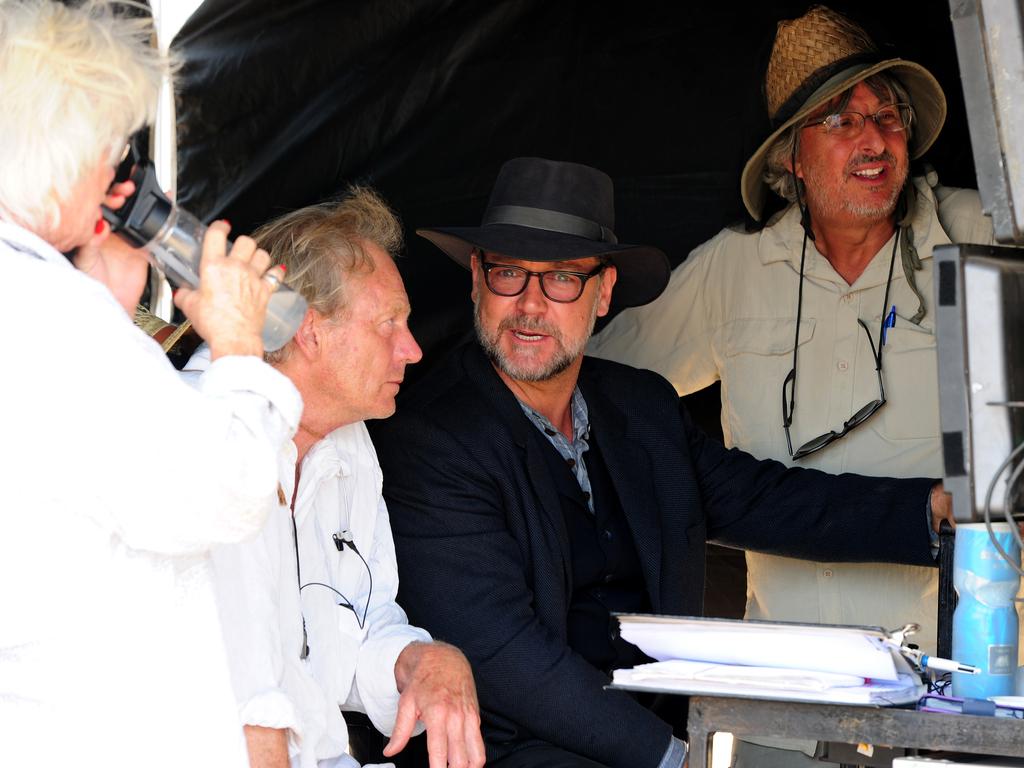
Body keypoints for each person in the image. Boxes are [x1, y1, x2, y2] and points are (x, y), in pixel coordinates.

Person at [370, 156, 954, 768]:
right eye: (509, 274)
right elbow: (507, 658)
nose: (530, 304)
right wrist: (676, 758)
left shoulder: (640, 407)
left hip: (661, 738)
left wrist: (932, 510)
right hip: (516, 751)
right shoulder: (432, 438)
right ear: (475, 282)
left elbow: (764, 500)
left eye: (563, 277)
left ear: (604, 293)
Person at [586, 7, 994, 764]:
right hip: (780, 705)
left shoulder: (974, 236)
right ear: (792, 160)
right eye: (840, 120)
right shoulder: (735, 270)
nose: (874, 140)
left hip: (955, 697)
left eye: (887, 115)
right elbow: (595, 386)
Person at [0, 2, 301, 767]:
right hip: (86, 727)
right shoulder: (55, 320)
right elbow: (221, 494)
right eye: (111, 150)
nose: (117, 178)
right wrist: (236, 347)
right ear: (63, 154)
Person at [184, 189, 485, 768]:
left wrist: (417, 659)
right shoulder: (205, 435)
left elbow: (359, 624)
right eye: (389, 323)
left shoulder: (348, 445)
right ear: (310, 331)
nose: (413, 349)